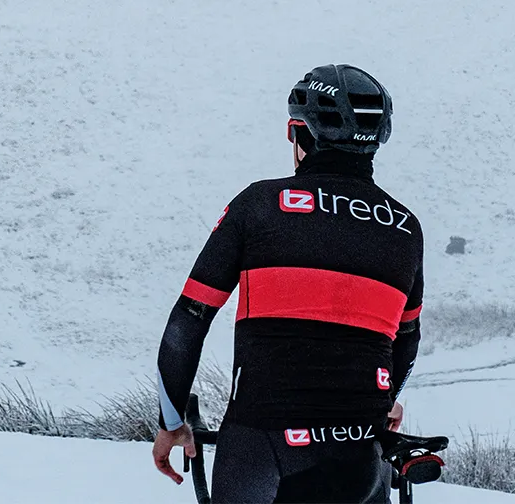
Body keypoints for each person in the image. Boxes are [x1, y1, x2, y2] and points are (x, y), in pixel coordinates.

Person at [152, 64, 423, 503]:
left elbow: (189, 319)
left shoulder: (259, 204)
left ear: (300, 133)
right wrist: (384, 398)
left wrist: (169, 422)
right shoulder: (405, 228)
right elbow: (405, 340)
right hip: (360, 455)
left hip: (262, 449)